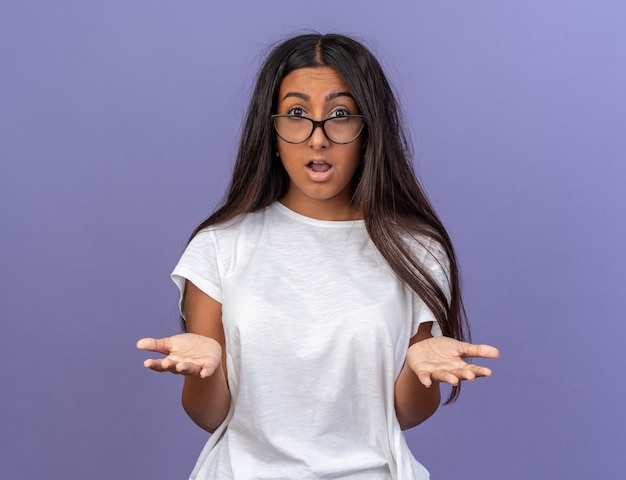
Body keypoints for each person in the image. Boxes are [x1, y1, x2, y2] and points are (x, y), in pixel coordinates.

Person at [137, 33, 499, 480]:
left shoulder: (416, 249)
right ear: (270, 131)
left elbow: (404, 414)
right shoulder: (219, 245)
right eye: (296, 114)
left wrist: (419, 369)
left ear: (370, 132)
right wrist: (205, 370)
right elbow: (210, 416)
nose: (318, 137)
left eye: (340, 114)